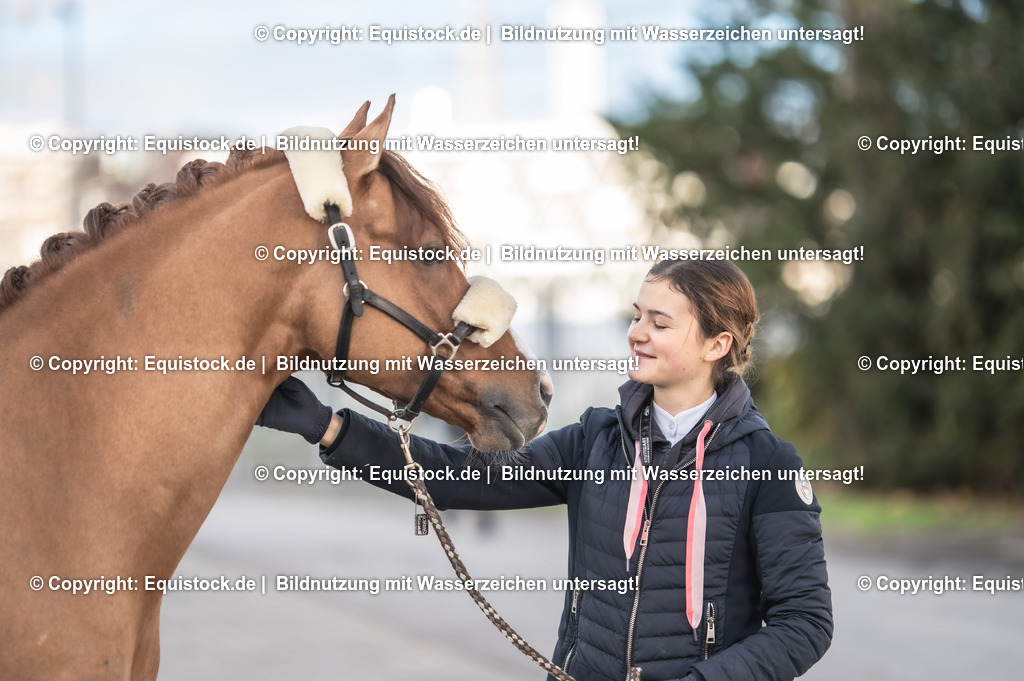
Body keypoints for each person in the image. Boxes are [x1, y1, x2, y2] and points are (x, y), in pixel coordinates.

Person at [257, 259, 833, 681]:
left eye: (660, 322)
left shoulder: (768, 464)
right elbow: (459, 477)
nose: (636, 333)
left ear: (716, 344)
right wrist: (330, 427)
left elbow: (804, 622)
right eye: (637, 316)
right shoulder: (596, 440)